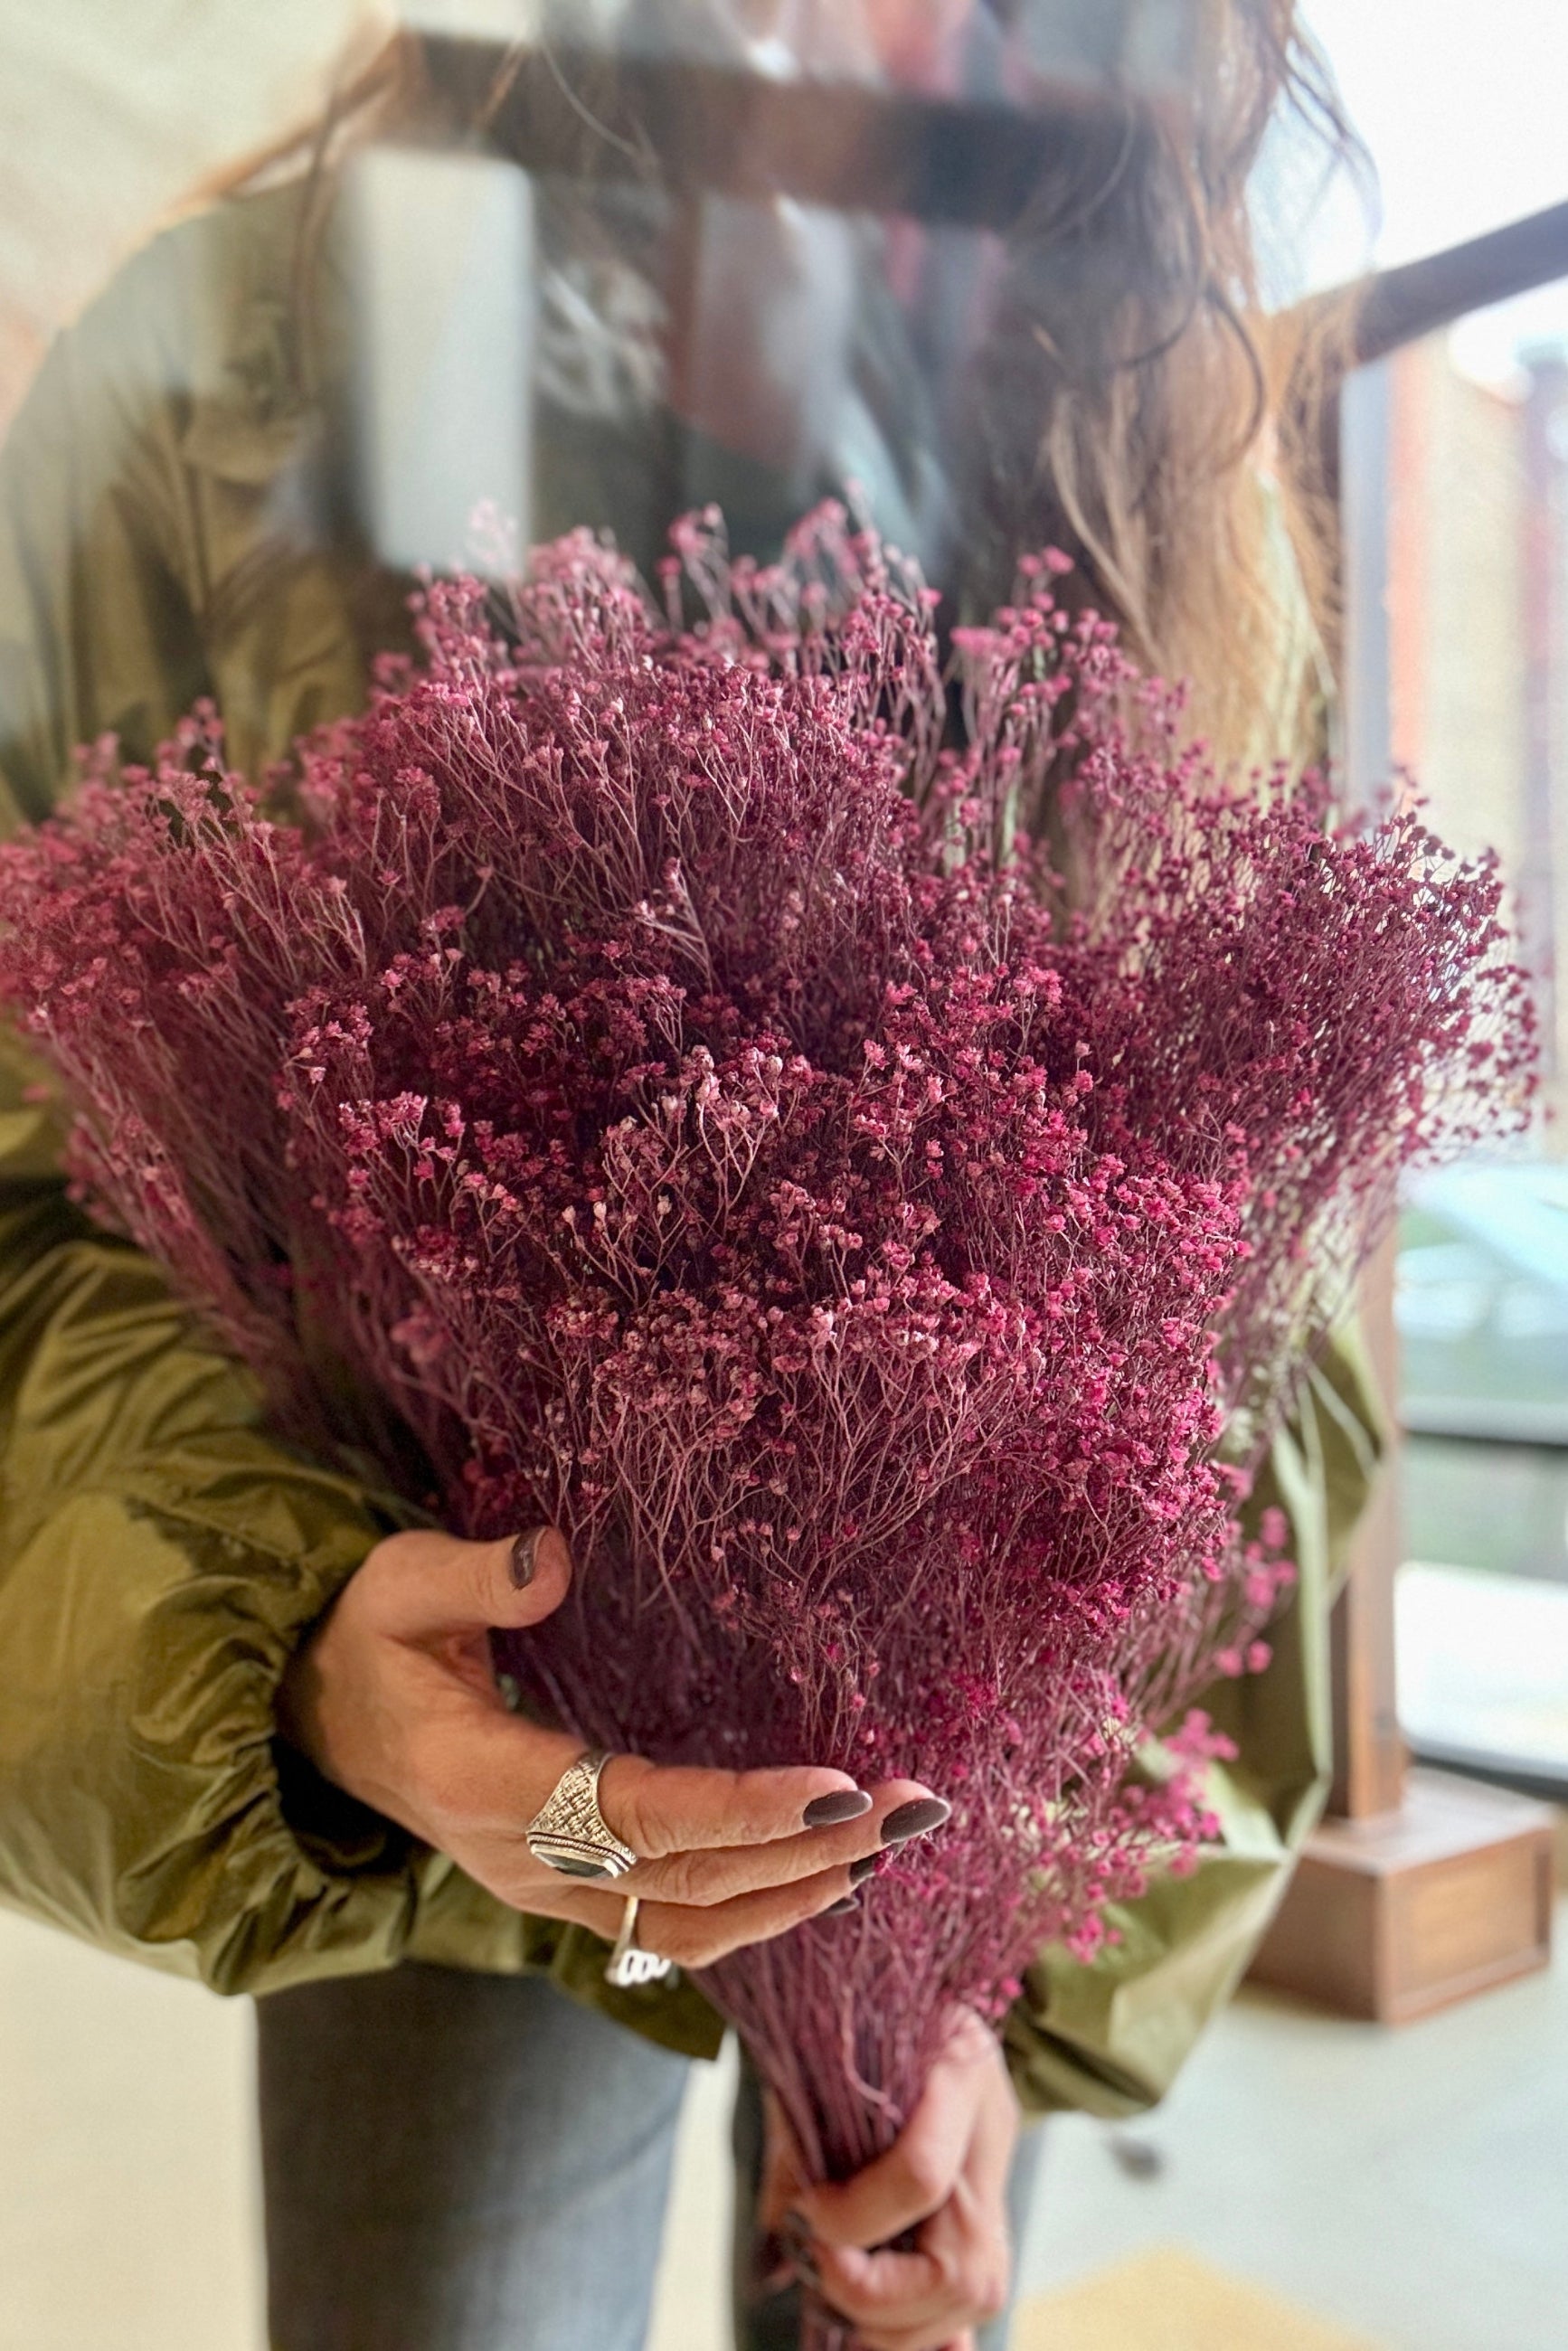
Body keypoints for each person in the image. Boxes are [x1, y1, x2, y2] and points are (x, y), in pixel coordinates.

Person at [0, 6, 1380, 2346]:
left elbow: (1239, 1317)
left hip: (937, 1818)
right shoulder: (230, 369)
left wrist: (1027, 1969)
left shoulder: (1146, 435)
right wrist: (305, 1680)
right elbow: (39, 1199)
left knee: (886, 2293)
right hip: (446, 1791)